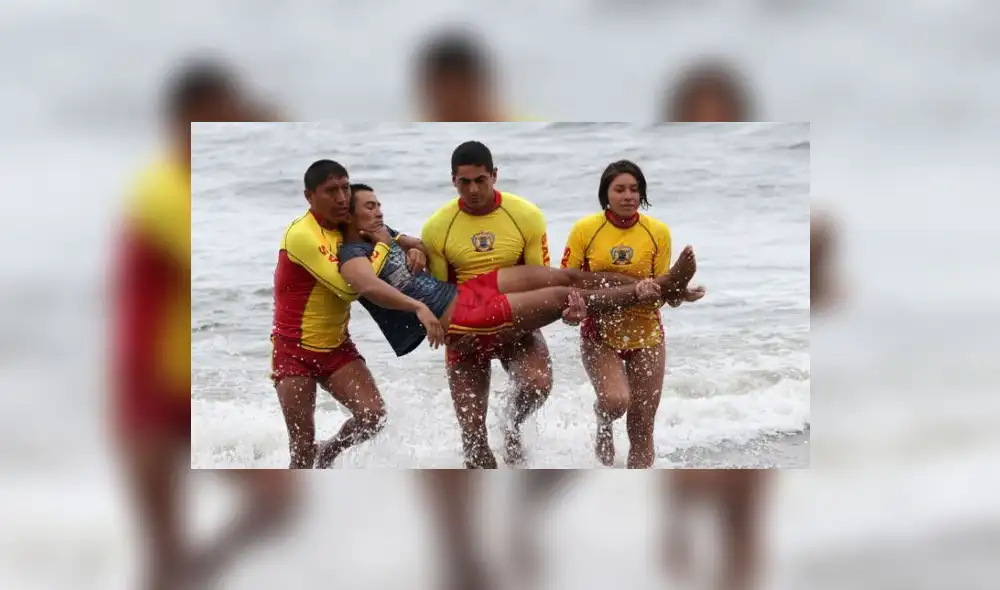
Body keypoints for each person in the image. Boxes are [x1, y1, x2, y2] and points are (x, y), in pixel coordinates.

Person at [339, 186, 699, 464]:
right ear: (351, 217)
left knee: (565, 276)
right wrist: (412, 294)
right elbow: (369, 285)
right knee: (561, 297)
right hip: (461, 320)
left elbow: (417, 243)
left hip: (464, 292)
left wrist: (408, 243)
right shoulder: (353, 254)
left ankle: (664, 285)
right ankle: (654, 290)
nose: (379, 210)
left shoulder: (381, 232)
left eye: (378, 204)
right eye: (370, 207)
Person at [112, 59, 297, 590]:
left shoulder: (208, 185)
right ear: (182, 121)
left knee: (277, 503)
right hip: (147, 391)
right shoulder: (160, 190)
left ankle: (196, 575)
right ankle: (184, 575)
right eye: (218, 120)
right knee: (161, 552)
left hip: (191, 388)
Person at [271, 161, 429, 469]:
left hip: (336, 348)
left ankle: (328, 453)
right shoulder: (302, 234)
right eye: (331, 191)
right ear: (309, 196)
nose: (342, 198)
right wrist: (382, 247)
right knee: (301, 451)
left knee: (373, 416)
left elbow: (407, 239)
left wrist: (416, 250)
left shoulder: (350, 226)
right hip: (293, 352)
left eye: (345, 188)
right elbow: (349, 290)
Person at [561, 159, 705, 469]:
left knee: (642, 427)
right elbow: (565, 285)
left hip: (647, 335)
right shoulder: (585, 230)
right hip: (600, 336)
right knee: (615, 402)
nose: (628, 196)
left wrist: (679, 294)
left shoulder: (657, 232)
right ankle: (602, 419)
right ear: (606, 194)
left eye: (634, 190)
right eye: (620, 189)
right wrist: (571, 311)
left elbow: (664, 294)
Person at [419, 141, 544, 467]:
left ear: (494, 176)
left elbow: (541, 282)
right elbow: (438, 296)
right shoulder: (437, 227)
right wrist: (456, 336)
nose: (473, 189)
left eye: (481, 180)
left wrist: (514, 328)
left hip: (516, 322)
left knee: (537, 385)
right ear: (453, 181)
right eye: (464, 182)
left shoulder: (525, 215)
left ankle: (511, 424)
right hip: (466, 329)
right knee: (473, 440)